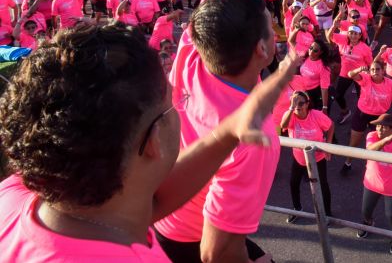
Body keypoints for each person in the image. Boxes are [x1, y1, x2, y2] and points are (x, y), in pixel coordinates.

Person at [0, 22, 299, 261]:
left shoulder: (19, 193)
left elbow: (152, 200)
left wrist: (228, 131)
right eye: (173, 103)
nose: (180, 107)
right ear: (154, 138)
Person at [154, 0, 336, 262]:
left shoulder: (194, 44)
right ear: (263, 49)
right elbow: (215, 252)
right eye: (272, 27)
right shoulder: (251, 133)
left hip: (155, 214)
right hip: (186, 241)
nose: (277, 30)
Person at [358, 114, 392, 255]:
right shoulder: (371, 135)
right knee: (365, 211)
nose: (379, 129)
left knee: (391, 215)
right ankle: (368, 223)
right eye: (378, 125)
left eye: (383, 126)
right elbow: (369, 151)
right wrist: (386, 141)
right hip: (372, 183)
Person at [341, 59, 392, 174]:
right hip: (362, 114)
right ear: (369, 72)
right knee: (354, 141)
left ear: (383, 70)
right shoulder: (366, 79)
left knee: (377, 144)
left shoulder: (390, 84)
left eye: (378, 69)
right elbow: (350, 74)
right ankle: (348, 162)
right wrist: (359, 69)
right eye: (372, 69)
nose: (375, 71)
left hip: (379, 119)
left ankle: (372, 167)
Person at [280, 91, 334, 221]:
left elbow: (331, 126)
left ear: (307, 104)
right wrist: (291, 108)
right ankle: (297, 209)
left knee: (322, 186)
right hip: (299, 158)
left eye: (301, 103)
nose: (298, 105)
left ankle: (327, 214)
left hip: (318, 158)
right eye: (294, 102)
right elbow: (283, 126)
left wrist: (329, 146)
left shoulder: (316, 115)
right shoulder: (290, 115)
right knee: (293, 183)